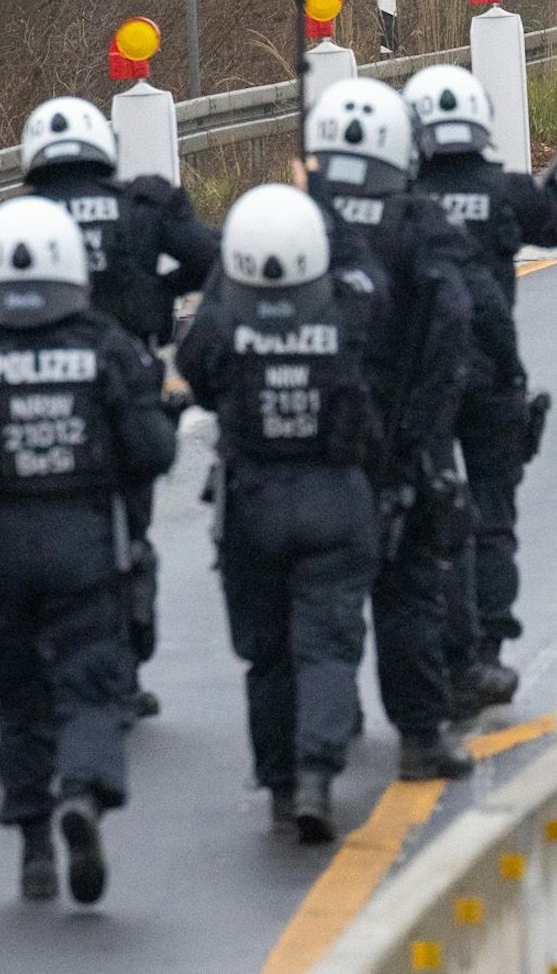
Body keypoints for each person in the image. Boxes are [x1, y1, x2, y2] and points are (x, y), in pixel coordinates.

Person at [0, 196, 175, 904]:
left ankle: (33, 846)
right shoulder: (104, 345)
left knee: (19, 699)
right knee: (91, 684)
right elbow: (152, 450)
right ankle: (83, 794)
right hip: (86, 550)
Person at [402, 66, 557, 708]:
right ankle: (488, 647)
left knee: (431, 514)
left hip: (422, 374)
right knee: (492, 514)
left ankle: (447, 648)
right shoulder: (505, 190)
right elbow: (556, 225)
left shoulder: (403, 200)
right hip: (492, 366)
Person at [176, 185, 379, 845]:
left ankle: (281, 785)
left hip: (252, 503)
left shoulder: (223, 320)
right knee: (326, 644)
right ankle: (318, 772)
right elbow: (381, 306)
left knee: (267, 656)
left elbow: (194, 369)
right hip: (335, 496)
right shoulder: (346, 308)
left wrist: (222, 283)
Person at [20, 96, 216, 721]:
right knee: (127, 528)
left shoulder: (21, 217)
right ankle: (122, 676)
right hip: (128, 386)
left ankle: (31, 668)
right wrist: (161, 292)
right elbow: (210, 260)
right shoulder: (141, 205)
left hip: (37, 386)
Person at [303, 79, 476, 781]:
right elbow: (456, 325)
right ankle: (419, 738)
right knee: (408, 591)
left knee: (318, 598)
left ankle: (323, 732)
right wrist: (424, 431)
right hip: (398, 436)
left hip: (311, 444)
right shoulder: (417, 222)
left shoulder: (295, 218)